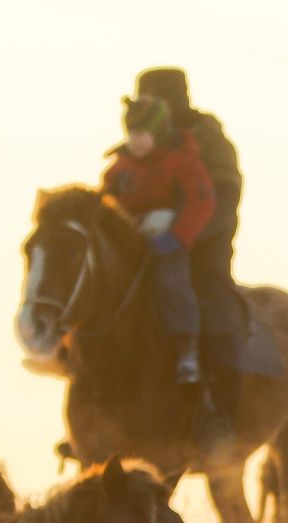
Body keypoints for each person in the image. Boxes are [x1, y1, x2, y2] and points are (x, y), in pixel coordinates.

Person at [135, 68, 243, 444]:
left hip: (203, 248)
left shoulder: (210, 141)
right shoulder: (145, 140)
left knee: (212, 309)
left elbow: (223, 199)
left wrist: (181, 237)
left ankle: (218, 414)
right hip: (145, 250)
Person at [102, 95, 216, 386]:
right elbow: (106, 200)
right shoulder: (120, 168)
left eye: (142, 135)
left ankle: (185, 349)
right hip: (130, 240)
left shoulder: (181, 161)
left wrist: (177, 237)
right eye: (132, 135)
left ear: (159, 133)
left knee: (171, 283)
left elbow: (200, 202)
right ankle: (74, 349)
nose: (136, 142)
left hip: (166, 242)